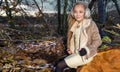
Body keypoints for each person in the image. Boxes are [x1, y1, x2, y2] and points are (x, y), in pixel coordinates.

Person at [54, 1, 102, 72]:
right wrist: (70, 48)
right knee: (58, 63)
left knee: (59, 66)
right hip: (77, 54)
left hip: (86, 55)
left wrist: (86, 50)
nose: (77, 14)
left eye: (80, 12)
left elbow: (98, 40)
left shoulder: (90, 24)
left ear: (86, 13)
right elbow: (74, 40)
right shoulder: (74, 24)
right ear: (73, 13)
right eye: (75, 12)